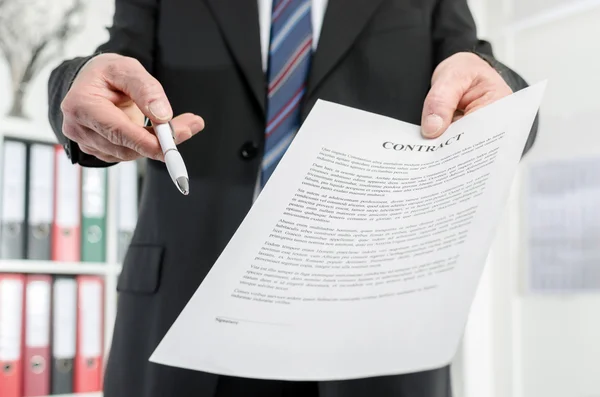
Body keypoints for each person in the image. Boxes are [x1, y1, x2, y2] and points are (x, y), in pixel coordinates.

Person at [47, 0, 537, 396]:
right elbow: (112, 69)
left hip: (370, 326)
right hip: (186, 310)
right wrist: (77, 87)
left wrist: (501, 103)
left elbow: (479, 75)